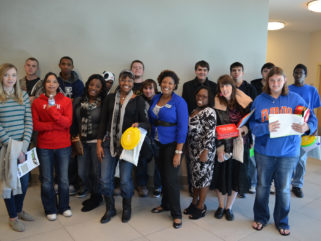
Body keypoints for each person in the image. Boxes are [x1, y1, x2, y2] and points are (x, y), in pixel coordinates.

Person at [249, 67, 317, 236]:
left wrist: (306, 126)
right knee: (262, 187)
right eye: (272, 80)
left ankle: (282, 221)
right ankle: (261, 217)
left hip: (288, 152)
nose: (275, 84)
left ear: (285, 80)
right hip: (264, 152)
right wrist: (266, 127)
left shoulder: (295, 99)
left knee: (284, 189)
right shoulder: (259, 100)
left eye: (279, 80)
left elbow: (312, 118)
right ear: (267, 82)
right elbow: (251, 125)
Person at [97, 70, 149, 224]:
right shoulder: (110, 98)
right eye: (123, 80)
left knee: (125, 180)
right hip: (108, 143)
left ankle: (127, 208)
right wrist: (99, 144)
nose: (126, 83)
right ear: (119, 81)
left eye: (130, 81)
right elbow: (103, 121)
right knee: (105, 180)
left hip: (127, 146)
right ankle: (110, 208)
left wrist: (139, 124)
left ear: (133, 83)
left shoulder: (138, 100)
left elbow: (147, 123)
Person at [149, 70, 188, 229]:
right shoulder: (156, 97)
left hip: (173, 144)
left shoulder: (180, 102)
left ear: (175, 86)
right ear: (160, 83)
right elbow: (151, 117)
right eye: (164, 82)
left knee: (171, 179)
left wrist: (178, 152)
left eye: (170, 83)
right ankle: (165, 205)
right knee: (163, 175)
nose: (166, 85)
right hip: (158, 142)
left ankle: (177, 214)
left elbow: (183, 128)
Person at [32, 72, 73, 221]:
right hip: (44, 146)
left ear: (58, 84)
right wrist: (54, 124)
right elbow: (36, 125)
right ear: (44, 84)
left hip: (63, 145)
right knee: (47, 179)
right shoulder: (37, 102)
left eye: (54, 81)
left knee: (63, 179)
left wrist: (52, 112)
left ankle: (64, 207)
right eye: (48, 81)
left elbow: (67, 123)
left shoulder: (66, 101)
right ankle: (50, 208)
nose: (51, 84)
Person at [213, 74, 252, 221]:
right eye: (222, 86)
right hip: (222, 144)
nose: (224, 88)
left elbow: (251, 123)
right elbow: (214, 126)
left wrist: (245, 130)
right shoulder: (215, 101)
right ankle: (221, 205)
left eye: (227, 85)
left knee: (237, 175)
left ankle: (229, 207)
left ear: (233, 86)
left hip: (239, 144)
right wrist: (219, 148)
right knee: (220, 175)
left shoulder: (244, 101)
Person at [0, 63, 33, 232]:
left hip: (22, 148)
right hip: (5, 149)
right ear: (1, 77)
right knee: (9, 184)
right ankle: (13, 217)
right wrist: (13, 148)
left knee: (25, 182)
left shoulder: (24, 96)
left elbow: (29, 122)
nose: (10, 79)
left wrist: (23, 148)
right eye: (6, 75)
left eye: (13, 75)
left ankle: (19, 210)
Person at [71, 74, 107, 211]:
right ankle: (92, 193)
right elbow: (74, 121)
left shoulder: (104, 102)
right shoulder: (79, 101)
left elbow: (105, 124)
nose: (94, 88)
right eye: (92, 84)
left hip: (96, 143)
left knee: (95, 173)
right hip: (81, 142)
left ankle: (96, 197)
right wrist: (74, 139)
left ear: (101, 88)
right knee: (82, 172)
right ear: (87, 85)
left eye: (98, 86)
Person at [182, 60, 217, 195]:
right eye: (199, 69)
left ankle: (201, 194)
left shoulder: (214, 86)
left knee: (204, 167)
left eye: (204, 70)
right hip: (192, 125)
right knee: (192, 163)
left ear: (207, 72)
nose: (202, 72)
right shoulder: (187, 86)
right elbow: (185, 107)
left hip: (207, 125)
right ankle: (193, 188)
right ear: (195, 71)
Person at [183, 86, 216, 219]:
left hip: (204, 151)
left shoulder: (209, 112)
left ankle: (201, 206)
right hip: (193, 150)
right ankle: (194, 202)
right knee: (196, 178)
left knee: (203, 179)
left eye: (204, 96)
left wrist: (205, 151)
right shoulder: (194, 110)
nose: (200, 98)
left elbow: (210, 133)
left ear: (209, 99)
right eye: (198, 95)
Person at [289, 64, 321, 198]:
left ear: (305, 75)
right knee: (289, 158)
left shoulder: (312, 90)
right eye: (295, 73)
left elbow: (314, 111)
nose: (297, 75)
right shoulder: (287, 89)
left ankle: (297, 185)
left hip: (305, 128)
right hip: (290, 127)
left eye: (300, 73)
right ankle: (285, 182)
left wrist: (314, 127)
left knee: (301, 159)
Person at [57, 56, 84, 195]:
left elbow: (79, 101)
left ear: (72, 67)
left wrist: (65, 103)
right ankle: (59, 182)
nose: (66, 66)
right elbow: (53, 102)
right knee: (59, 153)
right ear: (59, 65)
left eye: (69, 64)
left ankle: (72, 182)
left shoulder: (78, 83)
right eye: (63, 64)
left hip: (73, 123)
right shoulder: (54, 82)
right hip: (57, 123)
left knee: (73, 154)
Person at [230, 62, 256, 198]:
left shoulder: (250, 88)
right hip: (229, 131)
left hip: (245, 131)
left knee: (244, 161)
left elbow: (254, 112)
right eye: (233, 70)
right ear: (231, 73)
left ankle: (241, 188)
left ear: (243, 72)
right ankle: (231, 187)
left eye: (239, 70)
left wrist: (249, 132)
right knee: (231, 162)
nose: (236, 72)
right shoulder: (227, 88)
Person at [135, 79, 162, 197]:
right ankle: (141, 185)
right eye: (145, 88)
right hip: (143, 135)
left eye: (150, 88)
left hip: (158, 134)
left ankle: (158, 186)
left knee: (159, 161)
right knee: (142, 160)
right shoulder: (139, 100)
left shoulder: (161, 100)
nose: (148, 91)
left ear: (155, 89)